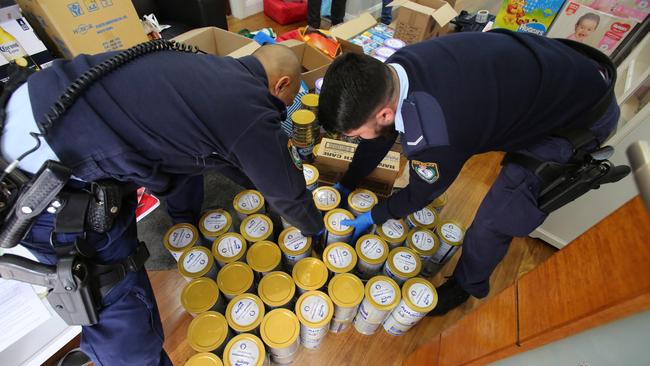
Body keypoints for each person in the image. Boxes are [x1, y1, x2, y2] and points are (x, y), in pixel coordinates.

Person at [1, 43, 323, 365]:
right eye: (283, 104)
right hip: (44, 187)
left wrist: (244, 189)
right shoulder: (249, 107)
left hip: (28, 109)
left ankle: (183, 221)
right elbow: (287, 191)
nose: (278, 113)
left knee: (185, 167)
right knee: (120, 304)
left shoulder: (205, 70)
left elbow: (203, 157)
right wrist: (314, 231)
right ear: (281, 84)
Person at [318, 29, 618, 315]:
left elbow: (422, 192)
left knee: (500, 214)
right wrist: (348, 182)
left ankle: (466, 284)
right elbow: (379, 135)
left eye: (356, 134)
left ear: (385, 113)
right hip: (559, 72)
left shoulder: (437, 133)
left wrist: (375, 216)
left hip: (581, 115)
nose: (357, 139)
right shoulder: (396, 70)